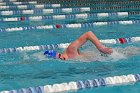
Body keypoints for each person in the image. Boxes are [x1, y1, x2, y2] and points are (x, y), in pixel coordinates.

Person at [44, 31, 113, 60]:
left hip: (107, 54)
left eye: (59, 57)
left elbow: (88, 34)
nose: (60, 58)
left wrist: (101, 48)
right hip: (103, 58)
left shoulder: (70, 49)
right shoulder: (69, 59)